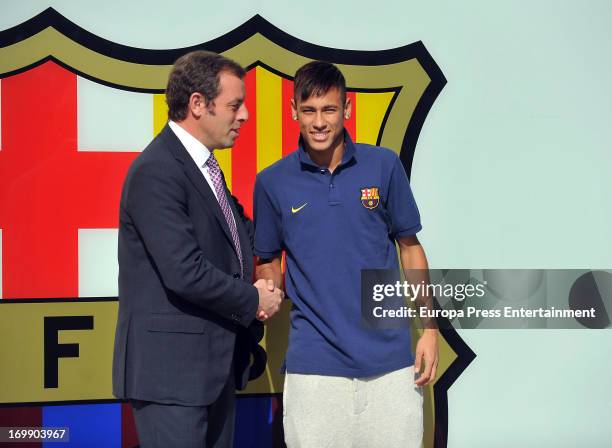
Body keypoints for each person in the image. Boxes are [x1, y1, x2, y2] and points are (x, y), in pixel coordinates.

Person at [253, 61, 438, 447]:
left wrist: (430, 329)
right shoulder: (271, 182)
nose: (319, 122)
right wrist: (268, 287)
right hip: (314, 370)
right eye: (309, 110)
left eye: (329, 110)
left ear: (347, 109)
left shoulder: (384, 165)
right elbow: (268, 259)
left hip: (391, 365)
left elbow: (410, 249)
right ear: (293, 111)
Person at [112, 50, 283, 448]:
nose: (244, 116)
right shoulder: (156, 171)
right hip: (172, 379)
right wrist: (254, 297)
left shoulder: (205, 168)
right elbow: (184, 271)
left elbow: (243, 236)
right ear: (197, 104)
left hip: (211, 373)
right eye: (235, 105)